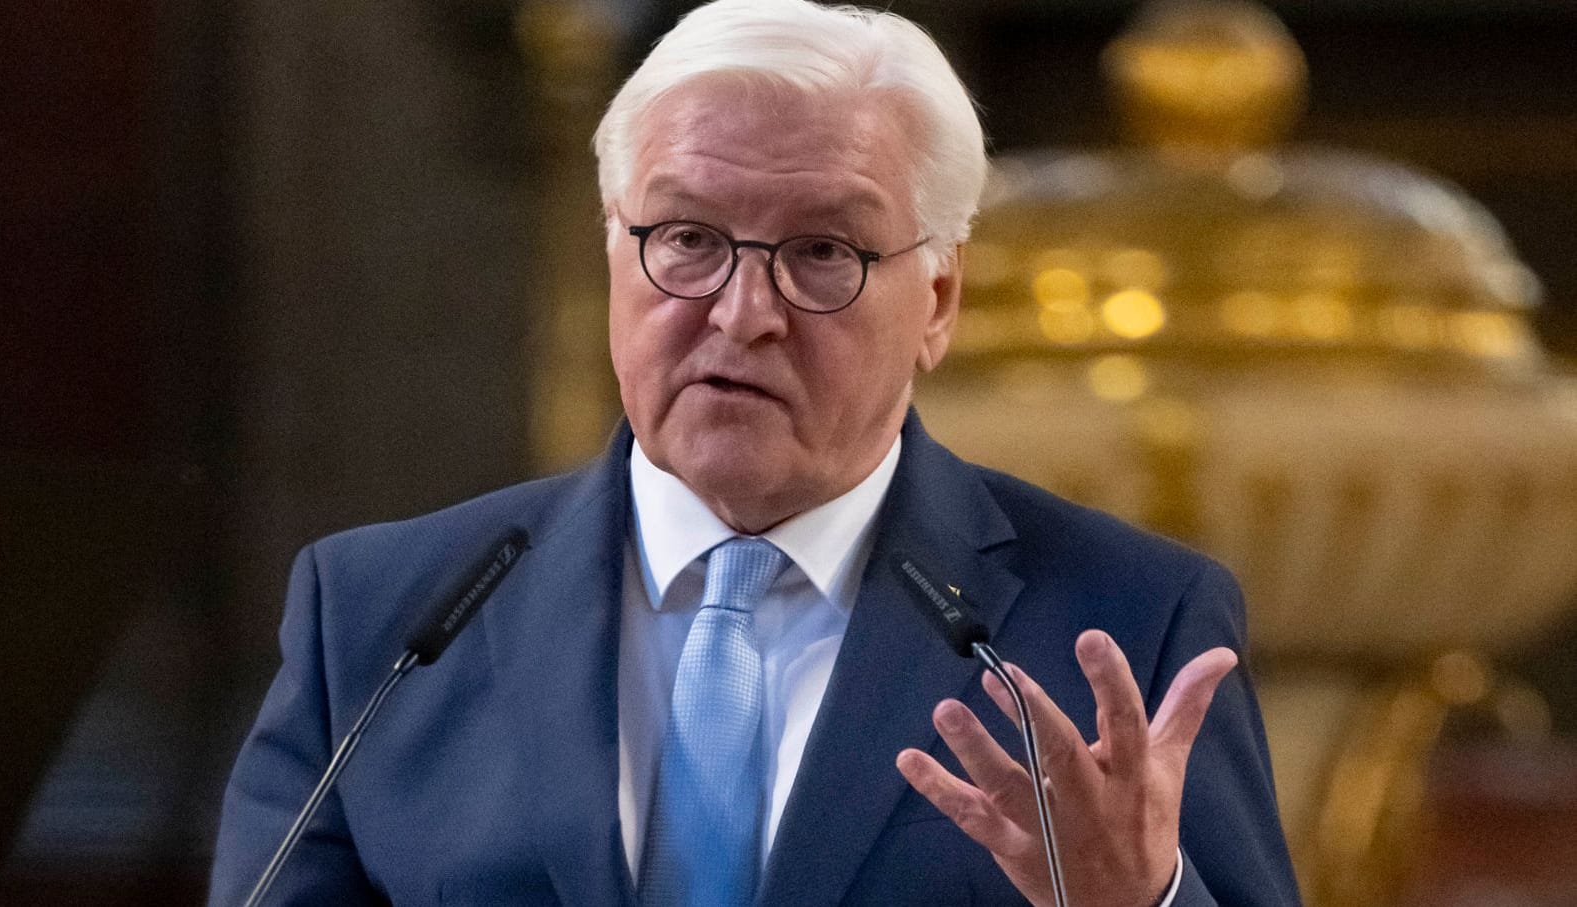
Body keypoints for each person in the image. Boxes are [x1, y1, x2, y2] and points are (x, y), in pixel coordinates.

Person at [209, 1, 1301, 904]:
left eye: (821, 251)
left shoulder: (1126, 622)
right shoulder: (387, 617)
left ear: (939, 299)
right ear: (611, 253)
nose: (742, 313)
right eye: (685, 238)